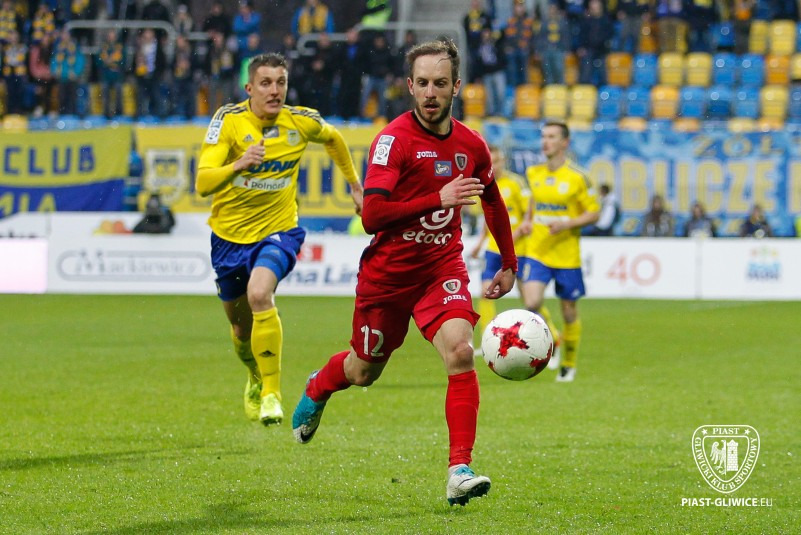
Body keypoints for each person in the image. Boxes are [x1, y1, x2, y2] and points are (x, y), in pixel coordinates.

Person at [291, 39, 517, 507]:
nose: (431, 93)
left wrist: (509, 262)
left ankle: (459, 469)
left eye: (440, 83)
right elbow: (373, 216)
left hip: (441, 266)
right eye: (423, 83)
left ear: (456, 86)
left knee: (461, 351)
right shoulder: (392, 141)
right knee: (363, 371)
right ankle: (319, 385)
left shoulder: (471, 145)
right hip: (388, 277)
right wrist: (438, 199)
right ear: (410, 86)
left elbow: (492, 200)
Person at [195, 53, 363, 427]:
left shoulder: (300, 121)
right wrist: (238, 164)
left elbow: (334, 139)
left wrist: (355, 186)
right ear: (249, 88)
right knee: (241, 331)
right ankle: (255, 375)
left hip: (279, 230)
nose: (275, 91)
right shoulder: (229, 121)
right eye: (266, 83)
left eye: (281, 83)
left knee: (260, 294)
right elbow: (203, 183)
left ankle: (272, 393)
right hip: (228, 238)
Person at [523, 122, 600, 382]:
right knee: (531, 303)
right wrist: (527, 220)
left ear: (564, 142)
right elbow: (534, 201)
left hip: (567, 255)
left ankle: (568, 364)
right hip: (538, 250)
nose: (545, 141)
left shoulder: (578, 177)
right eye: (544, 136)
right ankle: (553, 337)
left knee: (568, 312)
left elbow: (594, 213)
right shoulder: (533, 172)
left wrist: (566, 224)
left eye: (552, 137)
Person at [469, 145, 531, 339]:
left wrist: (509, 240)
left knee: (530, 301)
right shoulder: (485, 185)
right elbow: (489, 218)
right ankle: (489, 338)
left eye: (496, 161)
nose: (493, 166)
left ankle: (551, 336)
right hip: (492, 250)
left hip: (518, 249)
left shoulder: (516, 183)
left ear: (503, 161)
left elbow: (528, 218)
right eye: (490, 162)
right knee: (485, 292)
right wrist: (480, 242)